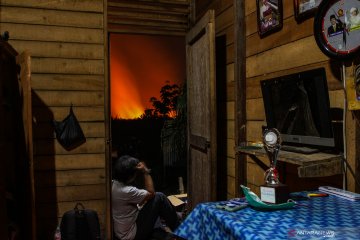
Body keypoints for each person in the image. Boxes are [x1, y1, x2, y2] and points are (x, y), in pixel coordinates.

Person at [112, 155, 180, 240]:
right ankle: (182, 232)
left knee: (158, 227)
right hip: (131, 234)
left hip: (123, 231)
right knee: (160, 197)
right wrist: (145, 172)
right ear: (130, 175)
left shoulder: (113, 184)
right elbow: (151, 193)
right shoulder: (127, 191)